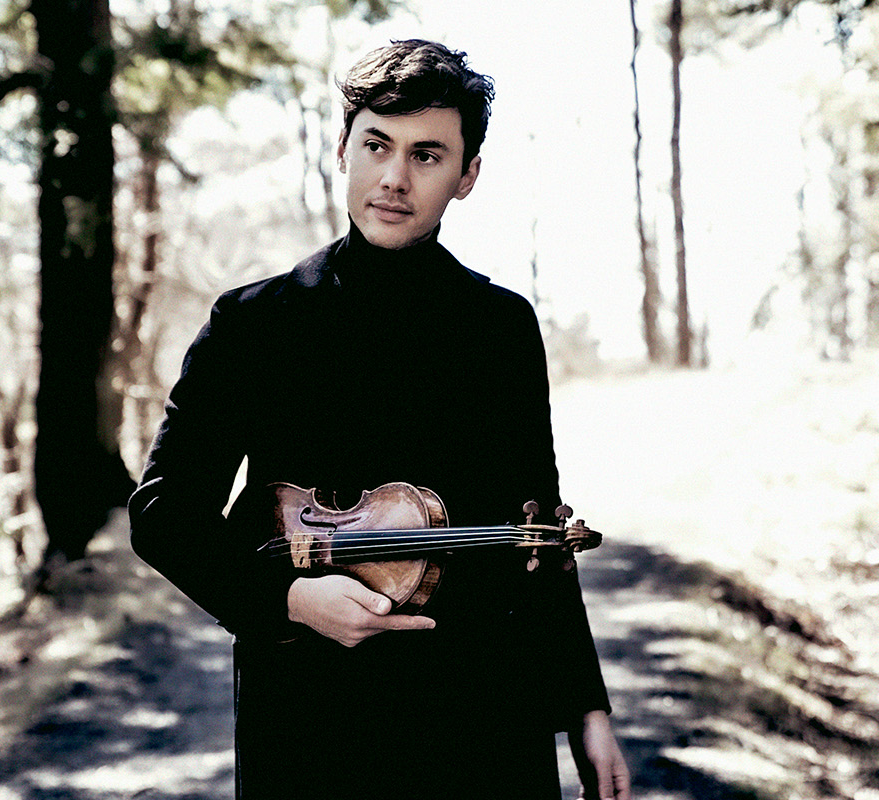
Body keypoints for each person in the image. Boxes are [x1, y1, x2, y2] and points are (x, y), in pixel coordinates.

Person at [129, 39, 631, 800]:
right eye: (377, 145)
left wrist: (585, 709)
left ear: (467, 177)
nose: (394, 178)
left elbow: (538, 535)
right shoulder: (254, 324)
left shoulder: (499, 328)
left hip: (482, 717)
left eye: (428, 155)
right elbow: (163, 512)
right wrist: (288, 600)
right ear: (343, 149)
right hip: (310, 717)